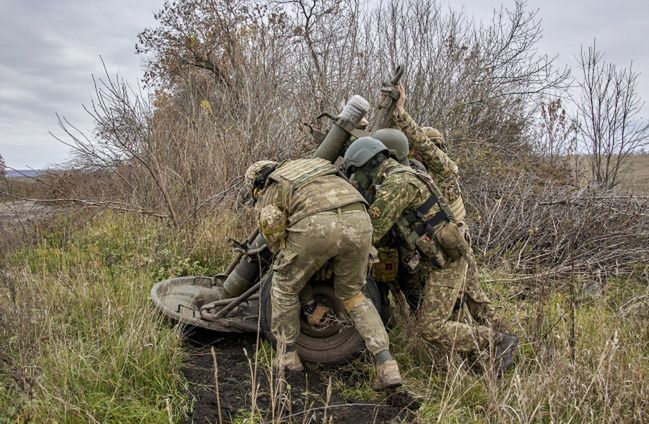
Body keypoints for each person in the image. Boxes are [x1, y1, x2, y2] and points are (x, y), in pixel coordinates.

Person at [342, 138, 518, 374]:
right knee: (464, 307)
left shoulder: (397, 184)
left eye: (356, 172)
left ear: (368, 165)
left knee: (432, 328)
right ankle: (482, 362)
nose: (356, 179)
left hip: (445, 262)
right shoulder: (403, 174)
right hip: (446, 255)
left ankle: (497, 341)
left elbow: (374, 229)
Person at [244, 158, 402, 390]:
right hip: (360, 220)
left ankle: (288, 359)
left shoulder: (271, 187)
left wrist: (304, 295)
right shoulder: (314, 166)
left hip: (315, 225)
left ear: (257, 184)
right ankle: (386, 365)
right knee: (354, 295)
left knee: (283, 286)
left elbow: (279, 246)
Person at [392, 82, 496, 327]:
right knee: (463, 301)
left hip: (454, 246)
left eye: (418, 150)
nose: (416, 154)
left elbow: (425, 145)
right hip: (446, 246)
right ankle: (487, 343)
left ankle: (494, 339)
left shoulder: (444, 169)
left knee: (471, 299)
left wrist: (401, 113)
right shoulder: (422, 174)